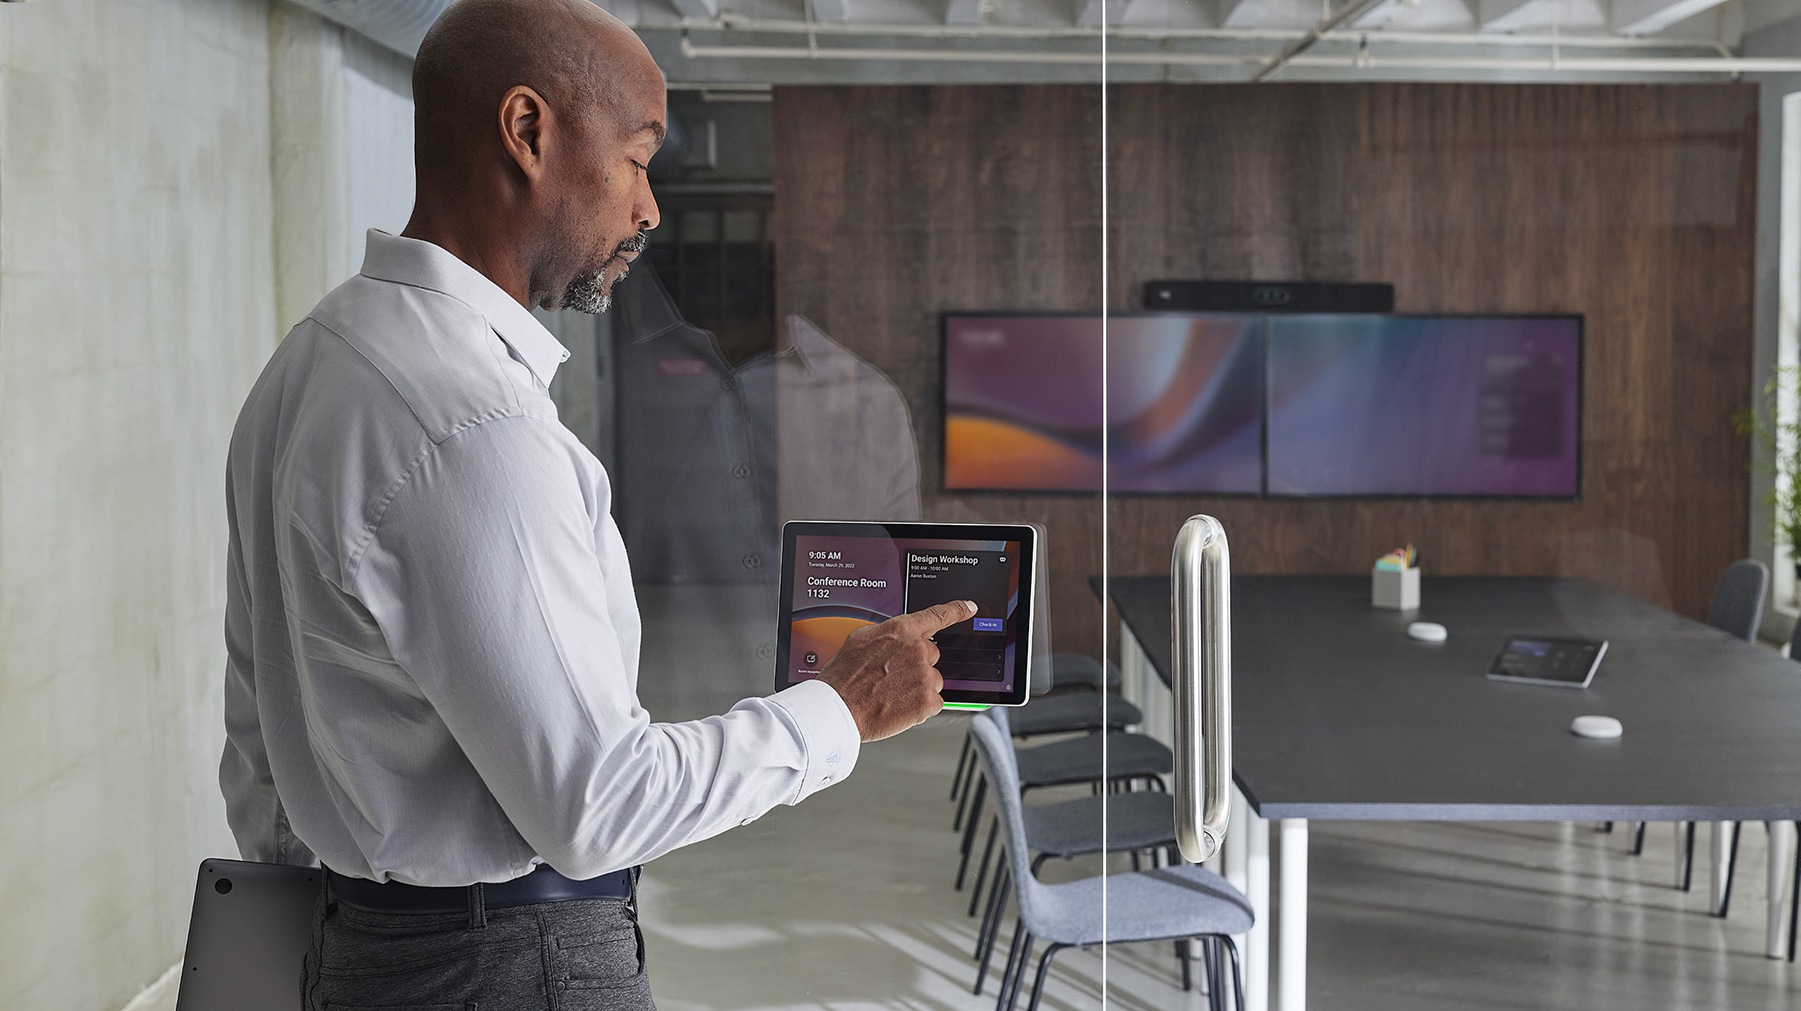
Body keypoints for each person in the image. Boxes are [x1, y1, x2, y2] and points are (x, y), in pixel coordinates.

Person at [217, 1, 960, 1006]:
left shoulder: (307, 364)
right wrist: (841, 709)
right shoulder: (473, 427)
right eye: (637, 160)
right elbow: (599, 804)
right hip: (505, 963)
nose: (649, 210)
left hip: (356, 947)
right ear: (528, 131)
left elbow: (260, 747)